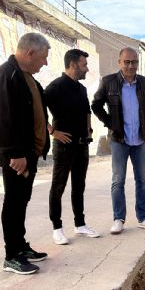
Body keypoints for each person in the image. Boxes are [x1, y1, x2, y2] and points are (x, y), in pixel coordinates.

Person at [0, 32, 51, 275]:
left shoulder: (26, 77)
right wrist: (14, 153)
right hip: (18, 157)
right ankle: (11, 256)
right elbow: (1, 119)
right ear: (30, 53)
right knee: (13, 203)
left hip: (29, 153)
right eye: (43, 58)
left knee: (21, 201)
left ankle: (21, 246)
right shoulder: (6, 75)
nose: (44, 63)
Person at [92, 47, 145, 235]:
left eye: (134, 62)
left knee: (142, 181)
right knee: (118, 180)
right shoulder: (109, 82)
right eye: (127, 62)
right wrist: (110, 123)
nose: (131, 66)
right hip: (119, 139)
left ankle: (143, 217)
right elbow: (96, 105)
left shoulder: (144, 84)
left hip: (139, 139)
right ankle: (118, 219)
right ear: (119, 62)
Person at [46, 49, 99, 245]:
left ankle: (80, 224)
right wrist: (53, 131)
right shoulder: (55, 87)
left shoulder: (81, 88)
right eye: (84, 65)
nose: (87, 69)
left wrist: (89, 130)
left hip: (81, 145)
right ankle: (57, 228)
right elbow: (36, 109)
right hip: (63, 146)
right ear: (73, 65)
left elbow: (87, 111)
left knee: (79, 185)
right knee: (58, 186)